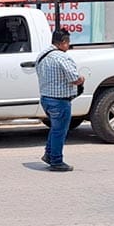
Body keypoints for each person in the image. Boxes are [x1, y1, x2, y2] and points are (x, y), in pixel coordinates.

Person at [36, 28, 85, 172]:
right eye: (68, 42)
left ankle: (49, 154)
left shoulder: (42, 55)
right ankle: (56, 161)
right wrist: (82, 79)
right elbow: (74, 79)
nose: (69, 46)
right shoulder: (62, 58)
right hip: (60, 101)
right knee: (60, 131)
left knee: (55, 129)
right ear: (63, 42)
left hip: (45, 98)